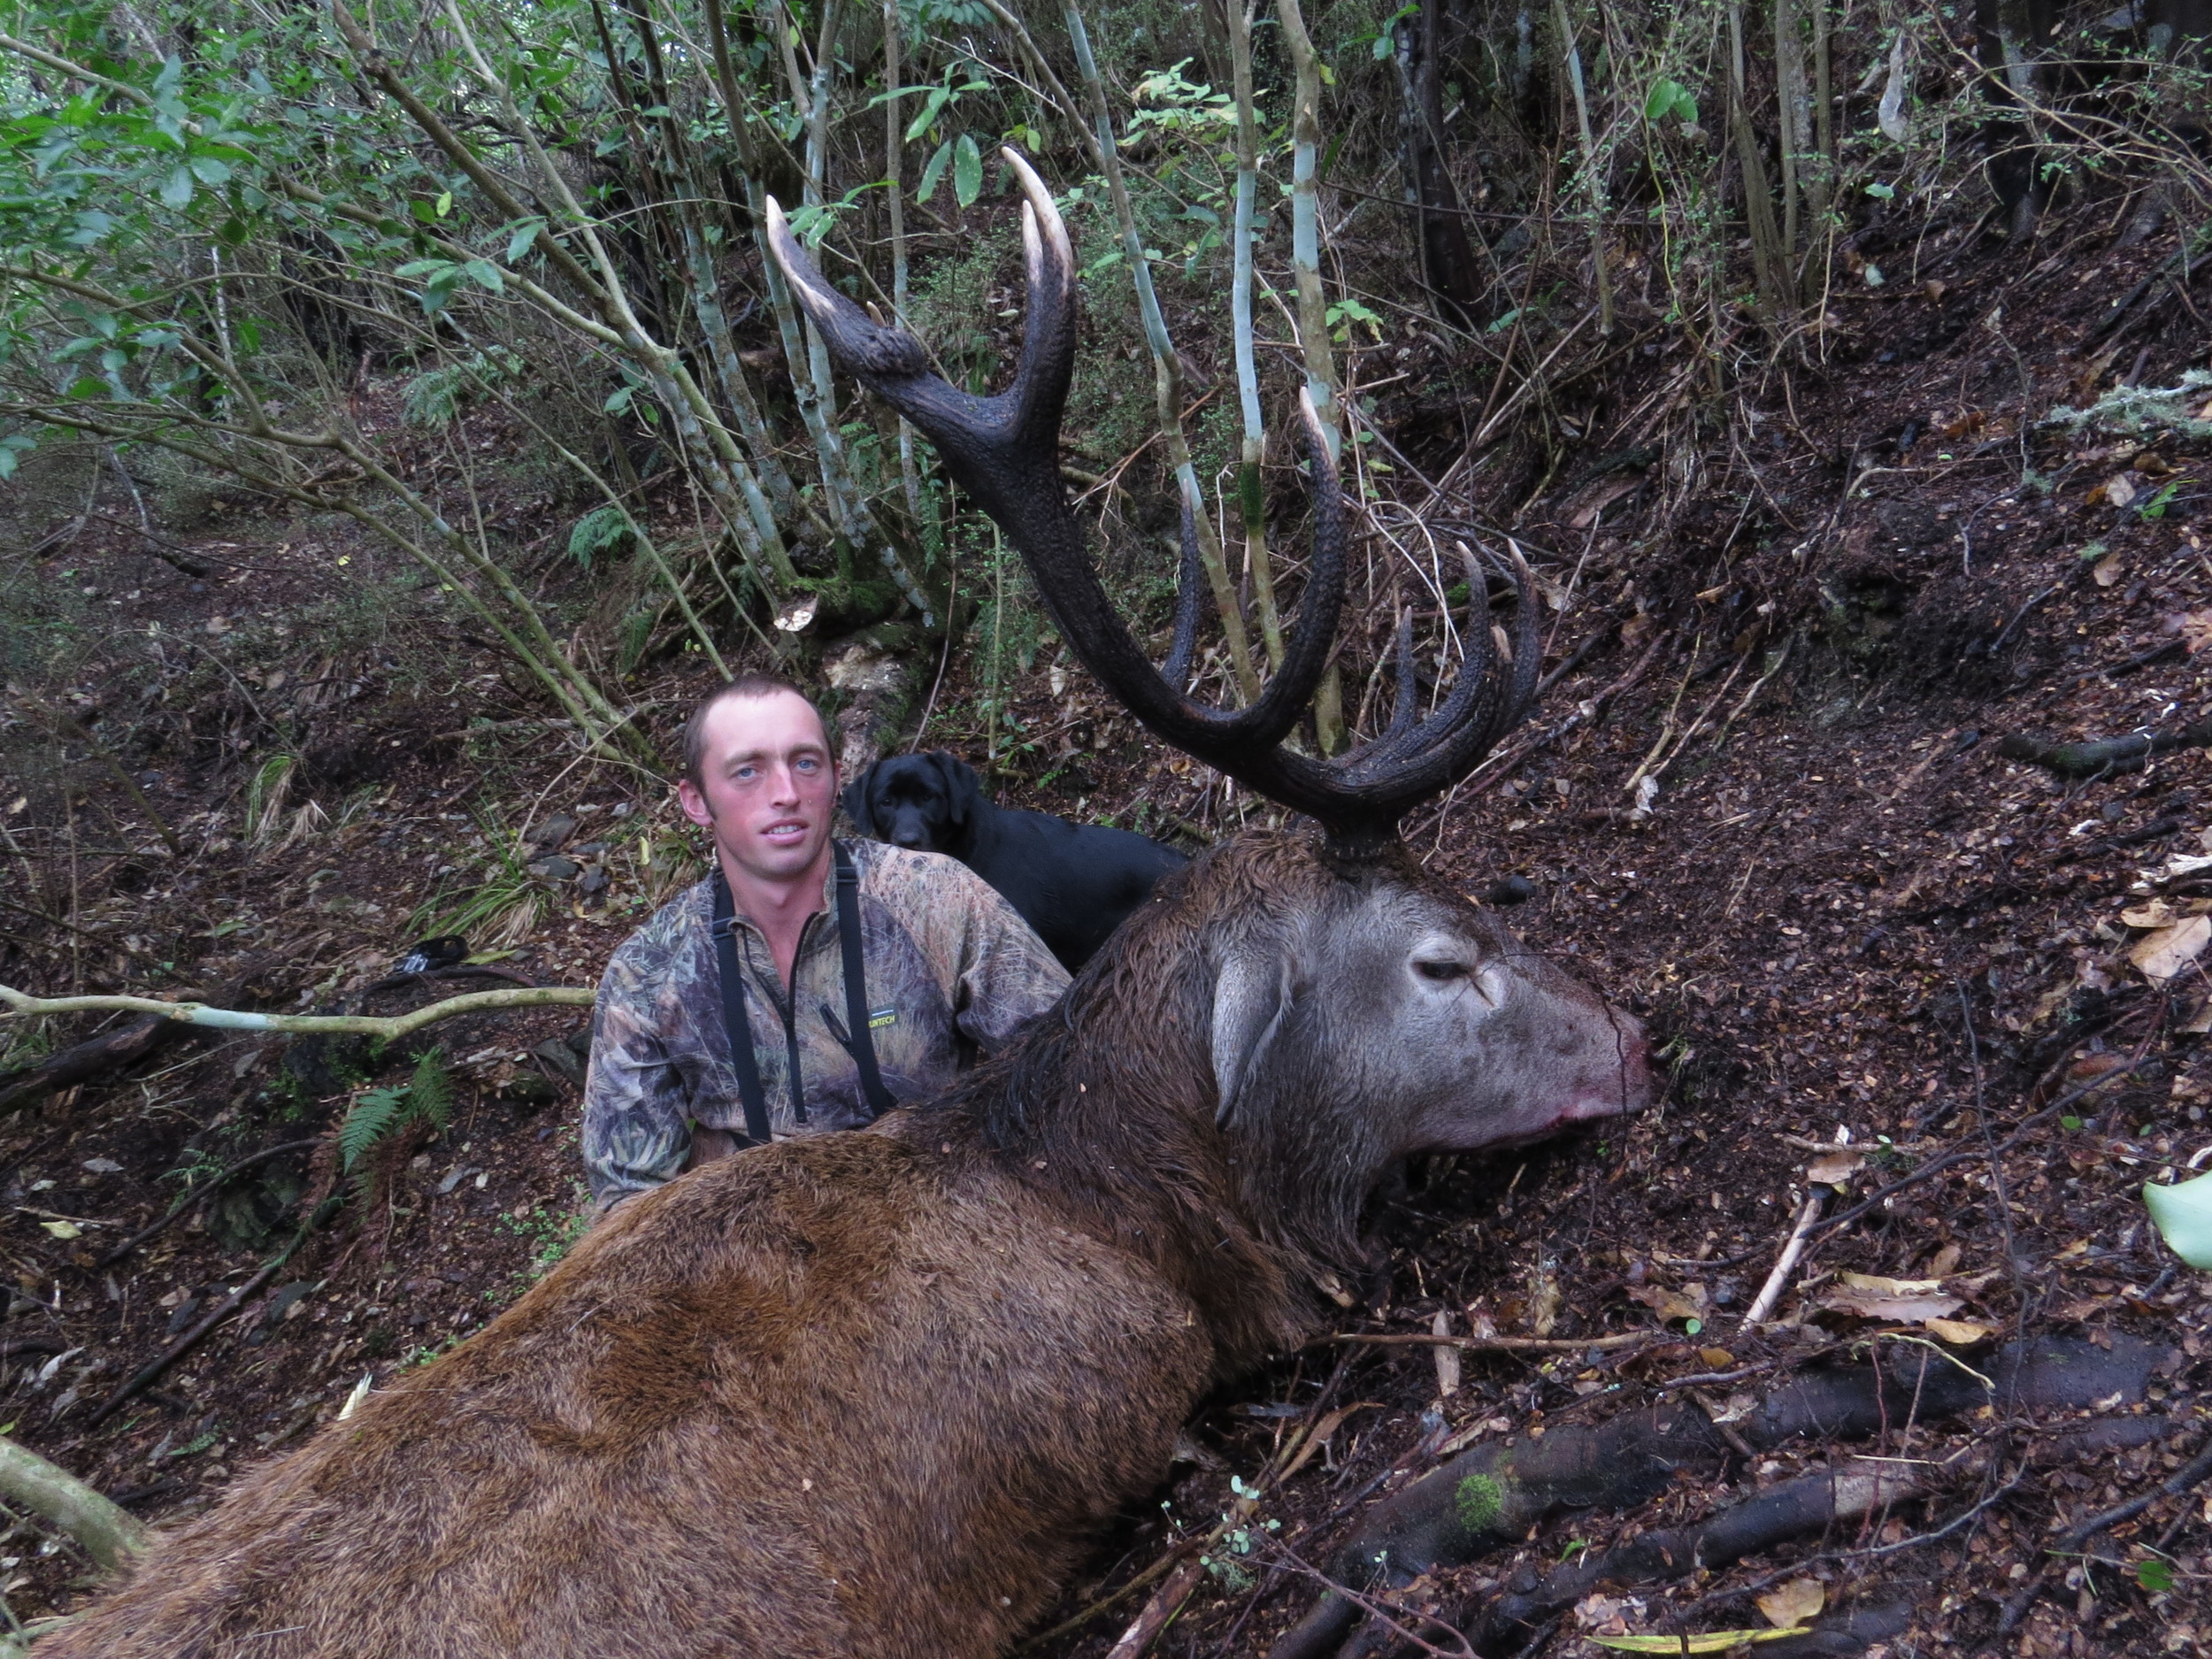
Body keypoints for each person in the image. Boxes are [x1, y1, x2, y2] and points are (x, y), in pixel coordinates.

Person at [581, 672, 1071, 1217]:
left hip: (943, 1231)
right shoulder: (649, 971)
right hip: (754, 1258)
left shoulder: (938, 899)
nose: (786, 793)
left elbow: (1072, 1070)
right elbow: (626, 1197)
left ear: (836, 780)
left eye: (805, 763)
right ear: (697, 801)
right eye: (748, 771)